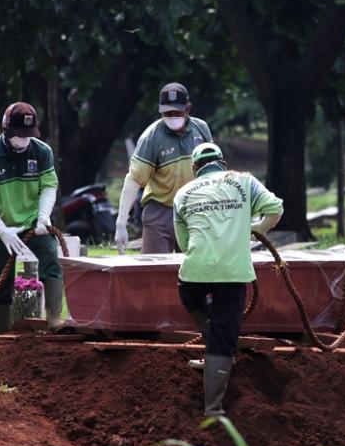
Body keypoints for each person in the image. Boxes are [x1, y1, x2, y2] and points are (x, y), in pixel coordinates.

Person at [173, 142, 283, 416]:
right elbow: (275, 209)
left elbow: (184, 244)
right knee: (223, 335)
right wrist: (253, 230)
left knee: (189, 295)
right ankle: (213, 408)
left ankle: (214, 342)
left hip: (194, 274)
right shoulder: (244, 182)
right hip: (233, 273)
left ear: (195, 168)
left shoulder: (182, 194)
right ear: (222, 162)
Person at [0, 102, 63, 333]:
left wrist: (44, 217)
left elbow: (49, 186)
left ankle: (54, 319)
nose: (24, 141)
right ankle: (3, 331)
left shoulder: (42, 151)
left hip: (34, 222)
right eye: (19, 136)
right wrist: (1, 230)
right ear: (7, 131)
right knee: (0, 282)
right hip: (0, 226)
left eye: (28, 136)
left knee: (52, 260)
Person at [115, 82, 213, 254]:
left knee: (197, 271)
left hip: (195, 209)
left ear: (188, 108)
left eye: (177, 112)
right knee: (154, 272)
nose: (173, 116)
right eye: (167, 113)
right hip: (161, 210)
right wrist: (121, 223)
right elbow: (134, 180)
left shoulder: (201, 129)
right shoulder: (151, 138)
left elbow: (214, 172)